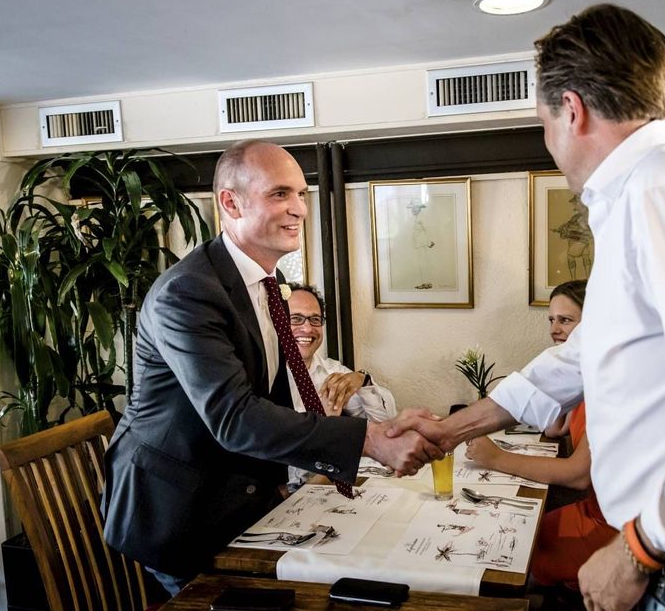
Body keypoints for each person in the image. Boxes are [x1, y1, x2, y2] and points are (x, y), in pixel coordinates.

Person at [388, 4, 665, 611]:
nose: (547, 141)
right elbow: (579, 359)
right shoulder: (648, 195)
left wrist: (637, 551)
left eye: (542, 122)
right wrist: (451, 429)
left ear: (572, 110)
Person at [101, 140, 439, 595]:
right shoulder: (188, 293)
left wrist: (372, 427)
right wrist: (369, 441)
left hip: (246, 503)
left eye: (301, 194)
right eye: (280, 194)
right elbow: (235, 416)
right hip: (180, 517)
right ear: (230, 202)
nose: (299, 208)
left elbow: (275, 396)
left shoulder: (270, 282)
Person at [465, 279, 616, 591]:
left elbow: (578, 475)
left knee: (508, 551)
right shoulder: (587, 375)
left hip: (613, 526)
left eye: (566, 320)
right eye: (552, 320)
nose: (555, 329)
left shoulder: (608, 383)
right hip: (594, 508)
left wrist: (496, 458)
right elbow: (554, 428)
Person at [285, 282, 398, 491]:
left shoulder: (331, 371)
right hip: (279, 494)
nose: (307, 328)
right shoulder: (266, 376)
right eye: (296, 319)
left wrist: (363, 381)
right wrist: (323, 424)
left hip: (325, 485)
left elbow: (386, 425)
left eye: (315, 319)